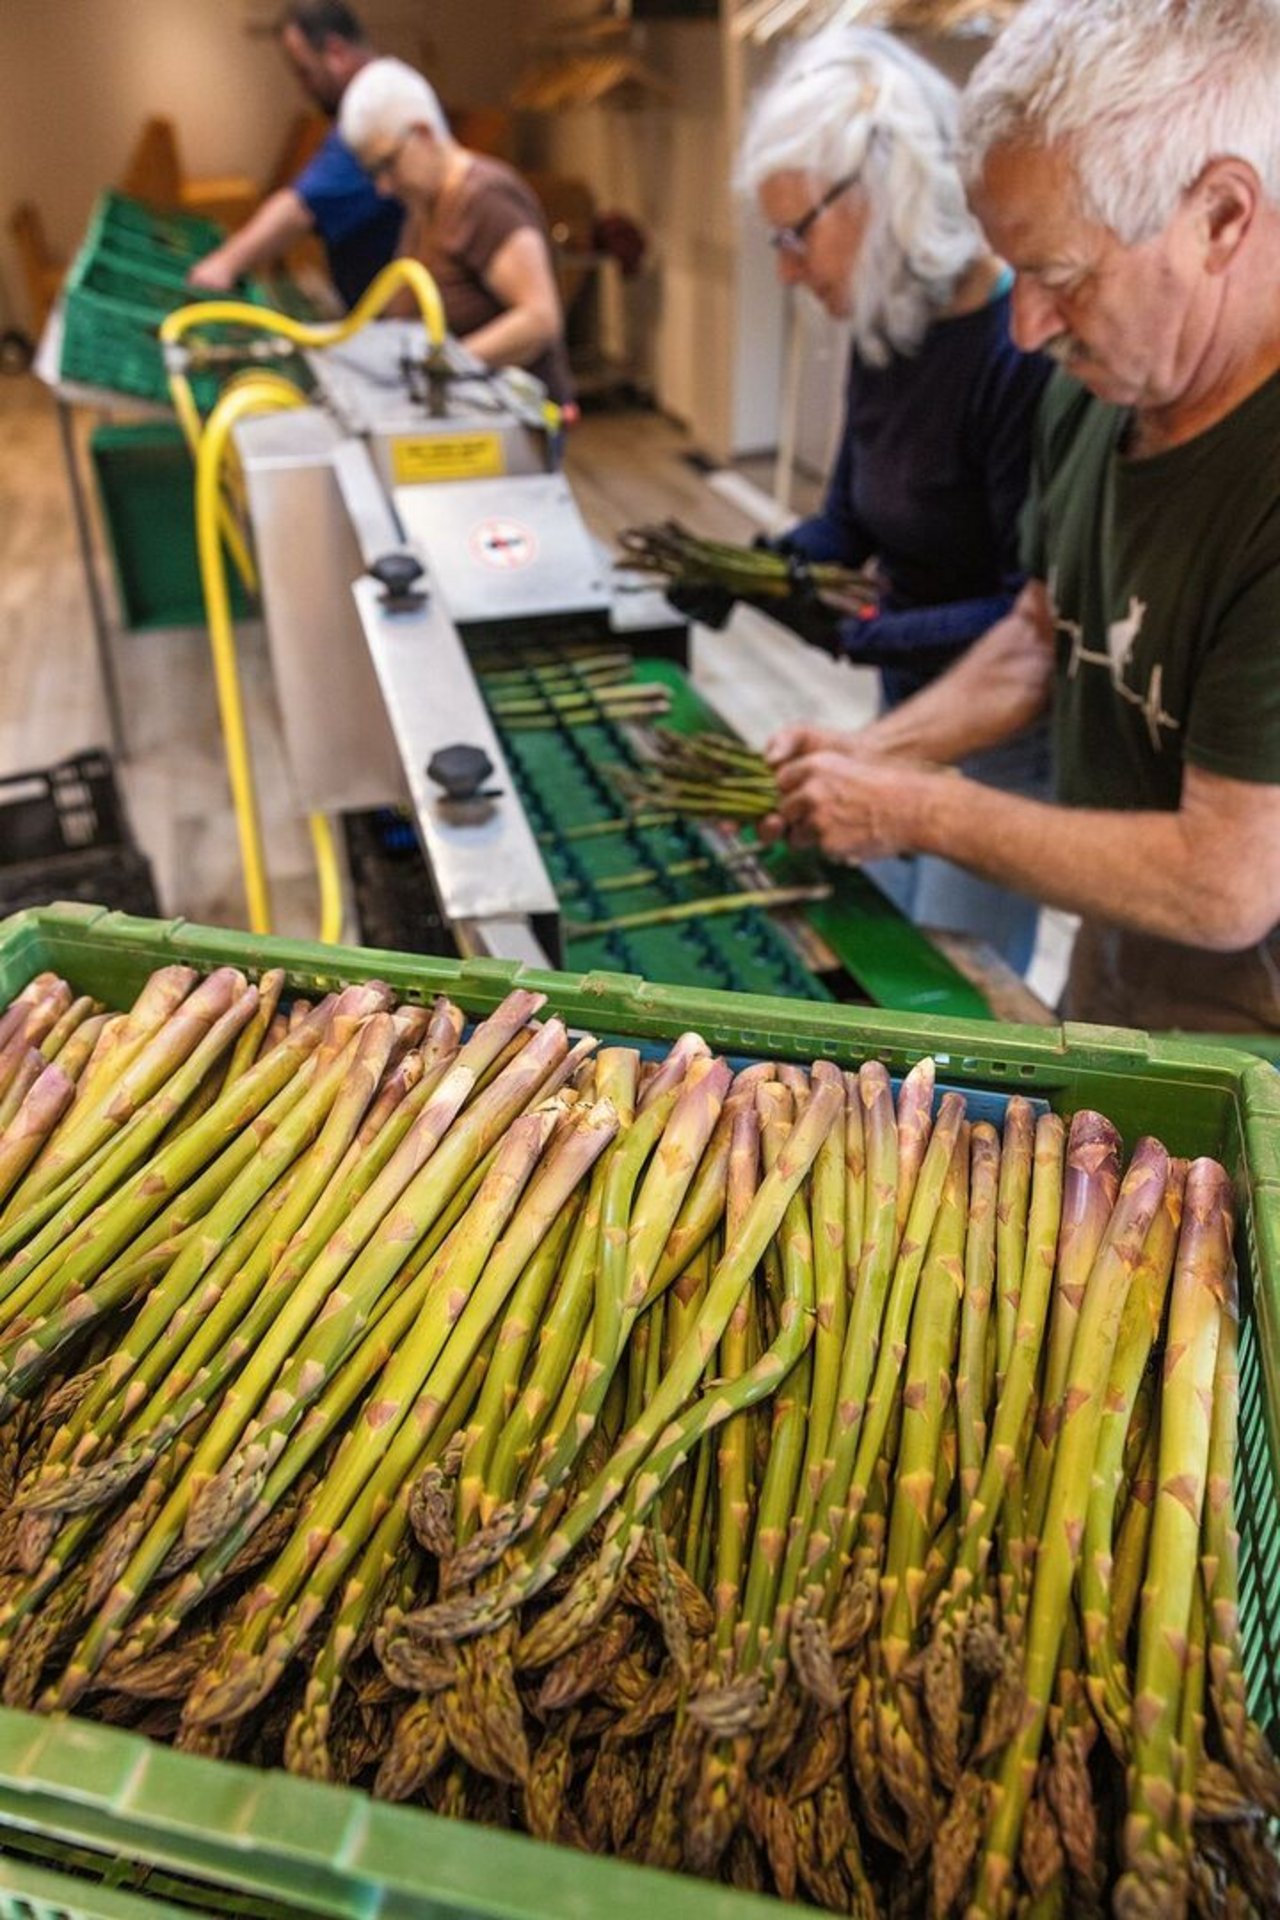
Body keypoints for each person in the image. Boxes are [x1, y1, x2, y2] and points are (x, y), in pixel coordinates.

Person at [765, 0, 1280, 1034]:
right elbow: (1041, 635)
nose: (1024, 325)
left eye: (1056, 276)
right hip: (1119, 963)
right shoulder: (1098, 388)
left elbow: (1223, 880)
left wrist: (922, 809)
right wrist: (879, 753)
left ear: (1219, 216)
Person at [727, 28, 1052, 974]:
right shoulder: (889, 326)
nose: (786, 268)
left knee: (947, 980)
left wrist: (865, 632)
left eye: (795, 235)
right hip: (904, 700)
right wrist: (767, 567)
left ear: (884, 195)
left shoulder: (1017, 354)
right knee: (881, 933)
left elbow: (1028, 623)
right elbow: (852, 521)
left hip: (1002, 742)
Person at [339, 58, 573, 404]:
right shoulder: (424, 201)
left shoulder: (485, 199)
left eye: (387, 164)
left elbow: (539, 319)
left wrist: (443, 367)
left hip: (509, 424)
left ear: (423, 133)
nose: (383, 187)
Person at [188, 2, 402, 310]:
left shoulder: (375, 103)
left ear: (336, 52)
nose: (304, 89)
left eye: (305, 72)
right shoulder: (378, 90)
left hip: (392, 317)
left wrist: (225, 263)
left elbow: (301, 207)